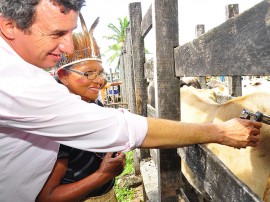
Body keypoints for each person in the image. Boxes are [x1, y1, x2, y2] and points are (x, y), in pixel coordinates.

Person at [0, 0, 262, 201]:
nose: (67, 47)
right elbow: (124, 129)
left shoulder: (29, 74)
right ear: (9, 26)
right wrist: (219, 131)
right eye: (57, 34)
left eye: (70, 33)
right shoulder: (15, 81)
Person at [36, 15, 125, 202]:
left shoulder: (93, 102)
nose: (100, 80)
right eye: (88, 73)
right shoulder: (57, 120)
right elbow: (48, 197)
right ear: (63, 75)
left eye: (100, 72)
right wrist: (104, 174)